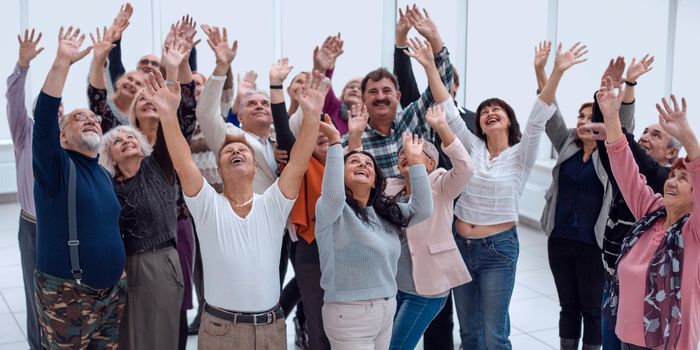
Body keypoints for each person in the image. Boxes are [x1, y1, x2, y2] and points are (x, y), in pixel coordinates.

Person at [154, 44, 325, 348]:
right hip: (222, 331)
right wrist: (168, 115)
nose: (235, 150)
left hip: (272, 329)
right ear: (218, 169)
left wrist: (311, 117)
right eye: (228, 151)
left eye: (243, 149)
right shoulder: (206, 205)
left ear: (253, 163)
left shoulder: (273, 203)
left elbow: (298, 163)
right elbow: (182, 162)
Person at [445, 42, 586, 349]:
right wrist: (430, 65)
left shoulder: (521, 155)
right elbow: (447, 110)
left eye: (497, 109)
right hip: (460, 246)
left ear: (509, 120)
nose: (489, 112)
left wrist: (553, 71)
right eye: (484, 111)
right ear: (479, 124)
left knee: (495, 335)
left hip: (498, 249)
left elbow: (538, 117)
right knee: (469, 334)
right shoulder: (473, 147)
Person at [32, 26, 126, 349]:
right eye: (77, 117)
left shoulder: (101, 172)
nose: (90, 119)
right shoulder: (54, 168)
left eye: (93, 118)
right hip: (68, 297)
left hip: (111, 295)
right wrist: (62, 63)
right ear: (62, 137)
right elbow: (43, 120)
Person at [534, 42, 631, 350]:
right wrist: (542, 71)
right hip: (559, 240)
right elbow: (548, 110)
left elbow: (624, 126)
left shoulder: (609, 154)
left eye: (593, 117)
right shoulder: (567, 144)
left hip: (592, 246)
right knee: (567, 306)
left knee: (591, 309)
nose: (586, 122)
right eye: (582, 116)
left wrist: (617, 94)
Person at [598, 79, 700, 349]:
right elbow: (625, 169)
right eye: (672, 175)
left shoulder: (694, 231)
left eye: (683, 178)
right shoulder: (652, 212)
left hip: (669, 342)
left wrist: (687, 135)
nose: (672, 181)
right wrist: (611, 118)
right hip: (628, 338)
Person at [344, 6, 452, 178]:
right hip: (380, 206)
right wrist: (354, 138)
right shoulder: (351, 138)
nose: (380, 97)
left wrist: (435, 41)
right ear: (363, 100)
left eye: (386, 90)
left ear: (398, 96)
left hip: (426, 203)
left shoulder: (414, 116)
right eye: (373, 92)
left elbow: (441, 87)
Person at [5, 28, 59, 350]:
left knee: (63, 294)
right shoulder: (25, 132)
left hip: (64, 230)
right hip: (34, 227)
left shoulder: (68, 141)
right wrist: (22, 66)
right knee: (34, 292)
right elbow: (13, 99)